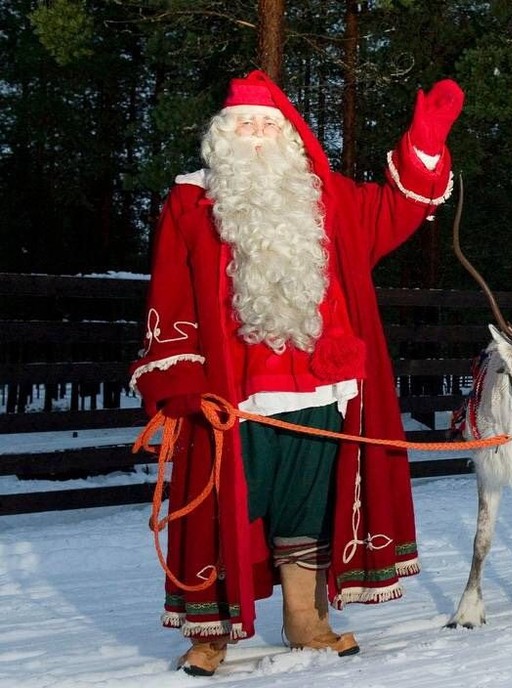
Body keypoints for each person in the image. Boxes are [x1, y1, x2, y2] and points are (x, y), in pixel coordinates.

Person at [129, 69, 463, 676]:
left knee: (308, 504)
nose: (256, 136)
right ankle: (212, 630)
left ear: (288, 136)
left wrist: (426, 144)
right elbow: (170, 293)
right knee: (221, 505)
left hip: (320, 385)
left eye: (267, 125)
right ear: (222, 138)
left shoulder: (326, 198)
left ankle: (305, 620)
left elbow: (395, 209)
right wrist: (176, 378)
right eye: (244, 126)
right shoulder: (191, 203)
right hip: (233, 393)